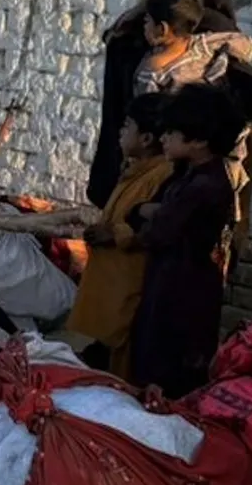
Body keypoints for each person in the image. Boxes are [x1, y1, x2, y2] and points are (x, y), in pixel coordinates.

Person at [89, 0, 252, 236]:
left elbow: (239, 114)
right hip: (147, 157)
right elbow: (116, 41)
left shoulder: (220, 39)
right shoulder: (146, 29)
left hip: (193, 164)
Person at [126, 83, 244, 399]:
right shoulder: (188, 174)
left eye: (172, 132)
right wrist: (148, 211)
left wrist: (148, 212)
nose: (163, 138)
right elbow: (144, 213)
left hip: (184, 288)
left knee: (170, 373)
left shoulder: (205, 184)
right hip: (172, 278)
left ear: (200, 140)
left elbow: (157, 230)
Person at [66, 93, 173, 379]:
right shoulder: (136, 170)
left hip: (129, 281)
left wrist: (116, 234)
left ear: (146, 138)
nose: (121, 132)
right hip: (112, 281)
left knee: (123, 358)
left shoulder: (162, 175)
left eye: (127, 126)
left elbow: (157, 227)